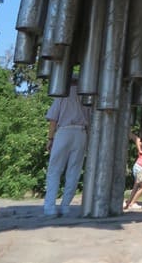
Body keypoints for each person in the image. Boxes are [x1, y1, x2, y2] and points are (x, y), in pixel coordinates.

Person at [43, 76, 90, 217]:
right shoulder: (86, 97)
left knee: (54, 170)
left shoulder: (62, 95)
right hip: (81, 133)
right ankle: (65, 206)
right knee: (74, 172)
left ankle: (50, 207)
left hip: (64, 131)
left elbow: (53, 119)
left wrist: (50, 139)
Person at [124, 130, 142, 210]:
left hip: (139, 167)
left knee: (136, 187)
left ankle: (128, 204)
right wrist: (139, 150)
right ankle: (132, 204)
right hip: (139, 167)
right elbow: (136, 138)